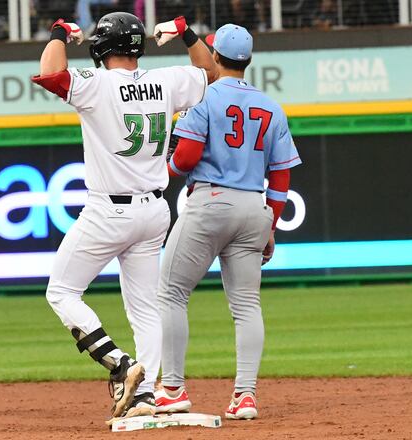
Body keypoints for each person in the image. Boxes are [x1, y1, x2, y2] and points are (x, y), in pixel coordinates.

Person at [31, 13, 217, 422]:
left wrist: (60, 32)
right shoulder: (167, 81)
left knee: (61, 291)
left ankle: (118, 364)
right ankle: (145, 395)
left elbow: (50, 72)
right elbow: (210, 70)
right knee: (146, 309)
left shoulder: (96, 84)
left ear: (101, 48)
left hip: (108, 211)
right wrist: (186, 32)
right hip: (154, 210)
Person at [153, 23, 301, 420]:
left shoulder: (204, 94)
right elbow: (282, 174)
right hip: (254, 206)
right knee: (247, 306)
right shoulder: (271, 105)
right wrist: (271, 226)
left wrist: (164, 167)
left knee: (170, 293)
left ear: (215, 56)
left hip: (211, 201)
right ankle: (245, 396)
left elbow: (185, 158)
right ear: (248, 60)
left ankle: (171, 389)